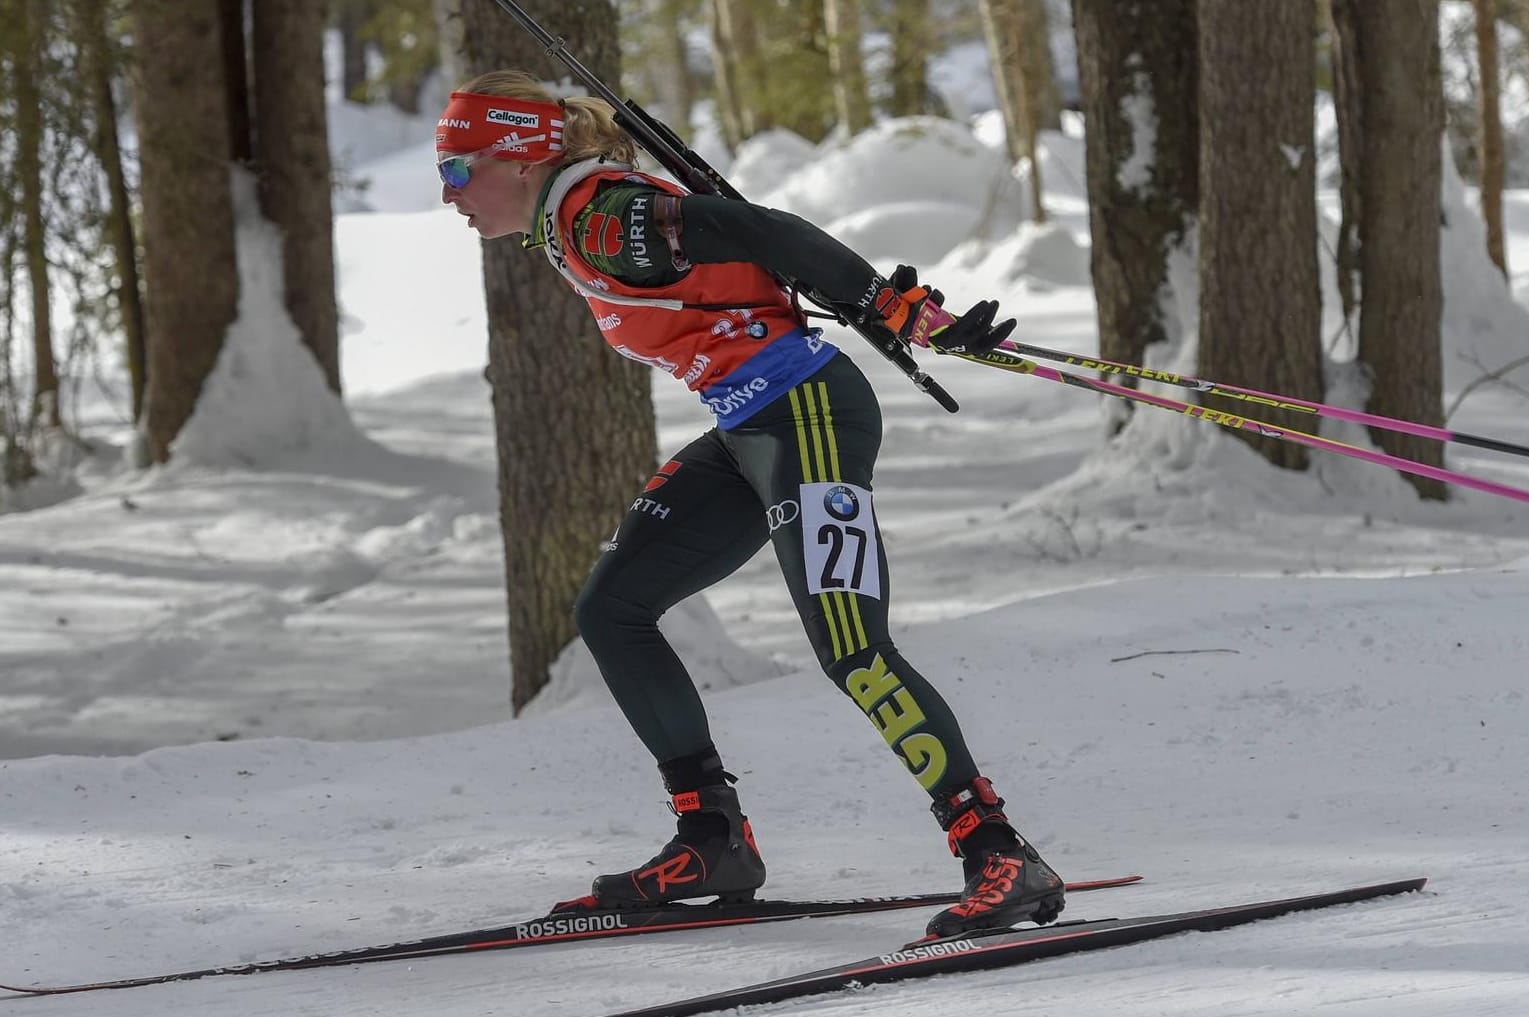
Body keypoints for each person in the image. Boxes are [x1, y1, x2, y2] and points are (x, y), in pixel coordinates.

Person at [437, 71, 1065, 940]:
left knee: (851, 645)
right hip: (748, 426)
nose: (449, 193)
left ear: (517, 155)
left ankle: (996, 850)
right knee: (611, 610)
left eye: (461, 170)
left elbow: (758, 229)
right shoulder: (572, 219)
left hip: (806, 414)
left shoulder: (600, 217)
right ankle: (712, 839)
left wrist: (887, 302)